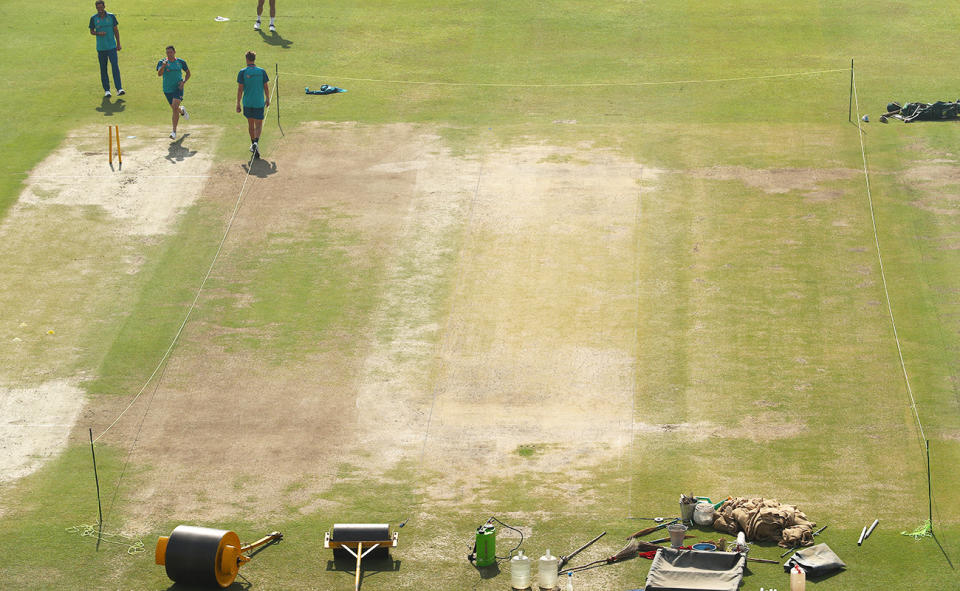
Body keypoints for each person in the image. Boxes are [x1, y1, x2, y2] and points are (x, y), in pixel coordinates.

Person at [236, 51, 270, 158]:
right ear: (254, 59)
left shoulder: (242, 72)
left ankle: (253, 143)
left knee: (250, 125)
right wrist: (268, 98)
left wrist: (238, 103)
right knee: (258, 125)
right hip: (259, 102)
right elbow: (266, 87)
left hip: (247, 102)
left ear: (247, 59)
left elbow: (240, 90)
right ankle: (256, 143)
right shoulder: (262, 71)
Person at [89, 0, 124, 97]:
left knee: (115, 67)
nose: (100, 9)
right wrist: (98, 33)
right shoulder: (93, 18)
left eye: (101, 7)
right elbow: (91, 31)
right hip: (101, 48)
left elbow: (116, 30)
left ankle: (119, 88)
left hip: (112, 47)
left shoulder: (111, 16)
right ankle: (107, 90)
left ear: (104, 6)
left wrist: (118, 44)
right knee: (103, 68)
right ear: (96, 8)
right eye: (98, 8)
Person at [157, 46, 191, 139]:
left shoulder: (180, 62)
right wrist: (163, 66)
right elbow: (159, 74)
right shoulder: (162, 62)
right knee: (175, 109)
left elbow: (188, 73)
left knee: (174, 107)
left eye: (171, 52)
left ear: (174, 52)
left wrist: (183, 82)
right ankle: (182, 110)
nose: (169, 54)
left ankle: (174, 132)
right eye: (167, 53)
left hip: (178, 87)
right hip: (167, 89)